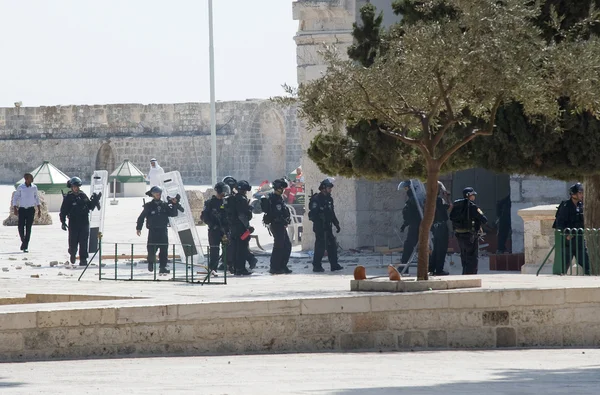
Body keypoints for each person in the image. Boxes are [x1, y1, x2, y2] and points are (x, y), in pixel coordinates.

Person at [136, 186, 181, 274]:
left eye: (159, 193)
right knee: (152, 249)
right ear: (152, 194)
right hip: (153, 230)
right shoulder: (149, 206)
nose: (158, 194)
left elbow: (173, 214)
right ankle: (150, 263)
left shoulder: (164, 205)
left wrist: (175, 205)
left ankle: (162, 267)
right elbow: (141, 217)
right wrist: (139, 228)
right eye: (156, 193)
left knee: (164, 249)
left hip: (163, 230)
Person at [59, 177, 102, 266]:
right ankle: (73, 253)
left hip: (84, 221)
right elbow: (63, 211)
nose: (76, 188)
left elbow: (89, 206)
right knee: (73, 241)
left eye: (77, 187)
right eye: (74, 186)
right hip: (74, 222)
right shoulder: (68, 197)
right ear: (71, 187)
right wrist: (63, 222)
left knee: (84, 241)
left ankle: (83, 259)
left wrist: (95, 200)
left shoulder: (82, 195)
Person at [553, 182, 590, 275]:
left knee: (586, 263)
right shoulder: (566, 206)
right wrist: (566, 235)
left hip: (579, 238)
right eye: (580, 193)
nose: (582, 195)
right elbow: (560, 222)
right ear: (573, 194)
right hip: (568, 240)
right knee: (563, 265)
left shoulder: (581, 206)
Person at [449, 187, 488, 275]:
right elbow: (484, 219)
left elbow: (451, 217)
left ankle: (465, 273)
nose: (474, 196)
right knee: (472, 257)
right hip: (471, 235)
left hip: (459, 234)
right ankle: (471, 274)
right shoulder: (473, 206)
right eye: (473, 194)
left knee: (464, 255)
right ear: (469, 195)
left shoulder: (457, 205)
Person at [309, 178, 343, 272]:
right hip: (319, 226)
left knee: (332, 245)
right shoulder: (316, 199)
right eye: (329, 188)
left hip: (328, 226)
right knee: (320, 246)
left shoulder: (329, 199)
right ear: (323, 188)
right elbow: (312, 215)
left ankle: (334, 264)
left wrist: (336, 224)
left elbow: (332, 213)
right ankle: (317, 266)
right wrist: (320, 218)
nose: (330, 190)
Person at [262, 178, 292, 274]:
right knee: (279, 246)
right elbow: (275, 213)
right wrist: (282, 219)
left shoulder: (279, 198)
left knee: (287, 245)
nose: (283, 190)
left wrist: (286, 218)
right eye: (282, 188)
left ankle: (282, 265)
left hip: (281, 225)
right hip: (276, 225)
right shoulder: (273, 198)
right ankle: (275, 267)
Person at [201, 182, 230, 273]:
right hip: (214, 230)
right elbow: (204, 217)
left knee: (228, 249)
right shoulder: (210, 203)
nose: (224, 194)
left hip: (225, 229)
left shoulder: (227, 202)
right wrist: (212, 225)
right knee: (214, 250)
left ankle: (227, 265)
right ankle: (213, 268)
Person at [12, 173, 41, 253]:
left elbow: (37, 198)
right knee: (20, 227)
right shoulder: (21, 187)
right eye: (30, 178)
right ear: (26, 179)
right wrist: (15, 207)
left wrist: (39, 209)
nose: (32, 179)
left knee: (28, 228)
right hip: (22, 209)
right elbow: (16, 197)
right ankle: (23, 241)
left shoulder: (34, 187)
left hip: (31, 210)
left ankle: (26, 245)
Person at [229, 180, 254, 275]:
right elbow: (242, 216)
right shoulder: (242, 200)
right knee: (242, 248)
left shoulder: (233, 198)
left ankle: (235, 268)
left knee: (235, 248)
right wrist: (248, 227)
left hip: (233, 228)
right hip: (241, 228)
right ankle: (241, 269)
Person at [429, 181, 451, 276]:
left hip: (434, 226)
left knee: (436, 249)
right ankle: (439, 270)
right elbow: (449, 206)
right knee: (441, 249)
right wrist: (447, 196)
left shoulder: (428, 200)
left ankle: (432, 268)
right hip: (441, 226)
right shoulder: (439, 200)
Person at [398, 180, 421, 270]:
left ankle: (404, 267)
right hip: (414, 225)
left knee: (409, 247)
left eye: (407, 188)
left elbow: (411, 214)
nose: (406, 191)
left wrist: (406, 223)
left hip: (415, 226)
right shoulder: (413, 199)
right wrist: (404, 225)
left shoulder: (414, 200)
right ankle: (404, 267)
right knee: (410, 246)